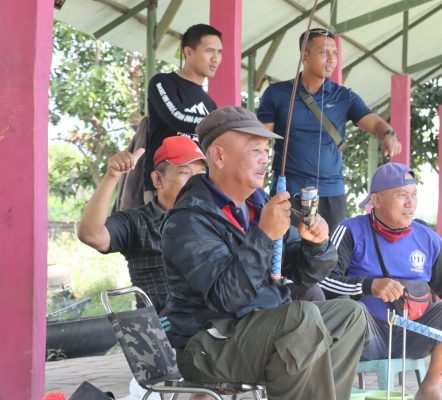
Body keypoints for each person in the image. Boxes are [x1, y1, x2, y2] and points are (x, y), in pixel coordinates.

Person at [160, 106, 367, 399]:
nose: (264, 159)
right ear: (219, 156)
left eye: (266, 150)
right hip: (209, 345)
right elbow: (226, 297)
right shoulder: (188, 219)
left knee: (350, 314)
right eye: (254, 149)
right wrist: (265, 235)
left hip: (260, 327)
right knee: (300, 318)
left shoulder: (258, 204)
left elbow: (305, 273)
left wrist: (315, 244)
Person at [320, 163, 442, 400]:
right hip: (367, 336)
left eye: (414, 195)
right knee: (351, 310)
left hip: (415, 332)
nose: (410, 203)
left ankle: (429, 388)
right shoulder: (349, 230)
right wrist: (369, 285)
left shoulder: (428, 238)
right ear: (376, 200)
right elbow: (323, 280)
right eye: (401, 196)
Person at [256, 28, 401, 227]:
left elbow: (375, 123)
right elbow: (259, 141)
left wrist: (388, 134)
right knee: (287, 255)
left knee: (330, 255)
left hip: (332, 194)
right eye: (324, 52)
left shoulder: (344, 96)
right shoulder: (276, 94)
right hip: (289, 192)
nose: (332, 59)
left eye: (335, 53)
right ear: (305, 56)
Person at [77, 136, 207, 313]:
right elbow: (90, 235)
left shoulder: (213, 219)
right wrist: (112, 176)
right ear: (157, 180)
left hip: (211, 328)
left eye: (201, 174)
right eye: (185, 173)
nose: (195, 182)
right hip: (159, 331)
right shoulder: (135, 222)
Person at [143, 24, 221, 201]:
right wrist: (221, 124)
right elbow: (176, 117)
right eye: (209, 51)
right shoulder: (162, 82)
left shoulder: (210, 104)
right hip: (164, 184)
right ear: (189, 51)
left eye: (220, 52)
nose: (216, 58)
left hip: (199, 188)